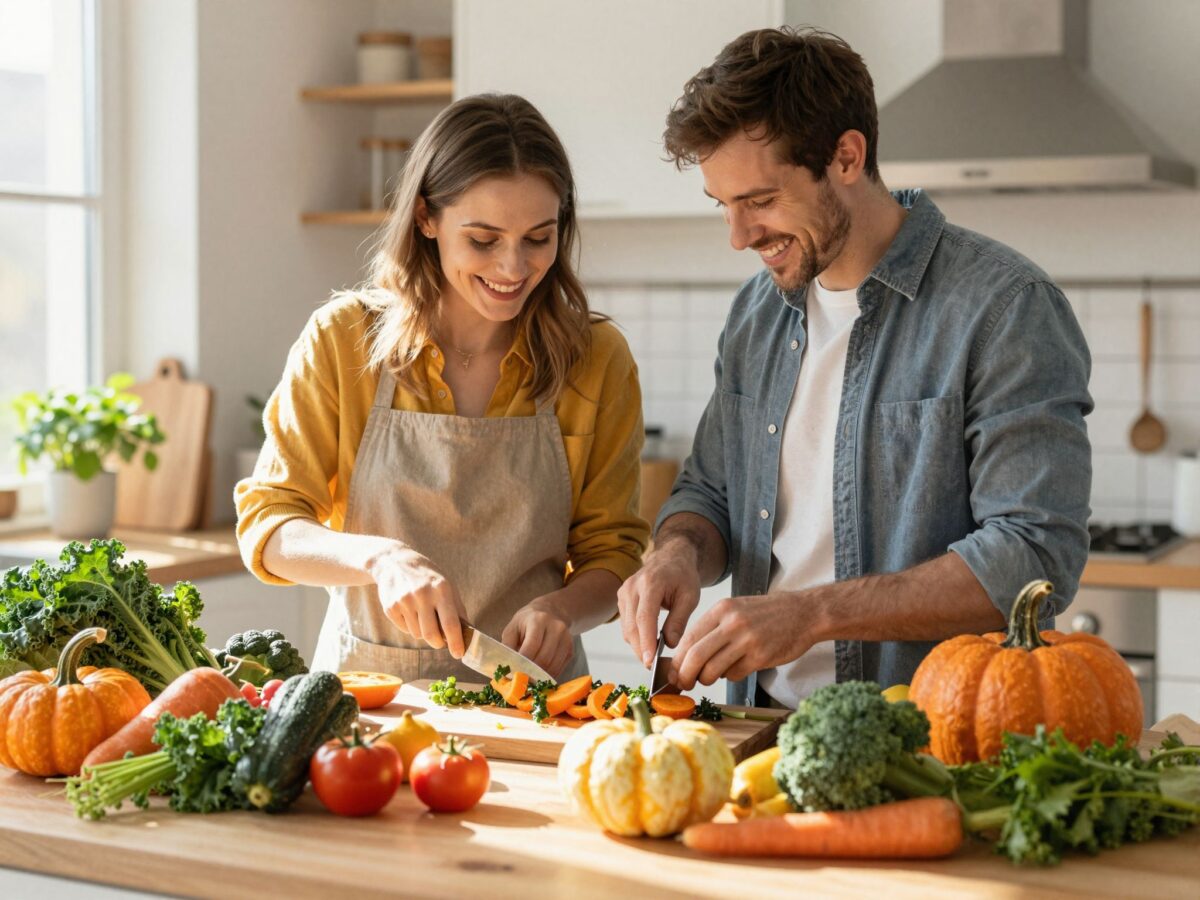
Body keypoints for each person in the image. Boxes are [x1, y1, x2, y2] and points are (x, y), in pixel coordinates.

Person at [617, 27, 1092, 708]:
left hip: (929, 740)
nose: (738, 236)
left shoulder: (1004, 308)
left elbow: (1033, 557)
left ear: (846, 156)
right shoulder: (757, 311)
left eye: (760, 200)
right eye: (724, 206)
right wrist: (678, 555)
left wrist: (811, 614)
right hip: (760, 729)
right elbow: (711, 493)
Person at [236, 94, 648, 682]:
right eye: (483, 239)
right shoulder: (343, 339)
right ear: (426, 217)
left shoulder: (596, 359)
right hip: (370, 703)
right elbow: (270, 528)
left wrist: (562, 609)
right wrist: (379, 558)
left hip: (534, 699)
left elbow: (613, 554)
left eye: (538, 238)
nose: (512, 268)